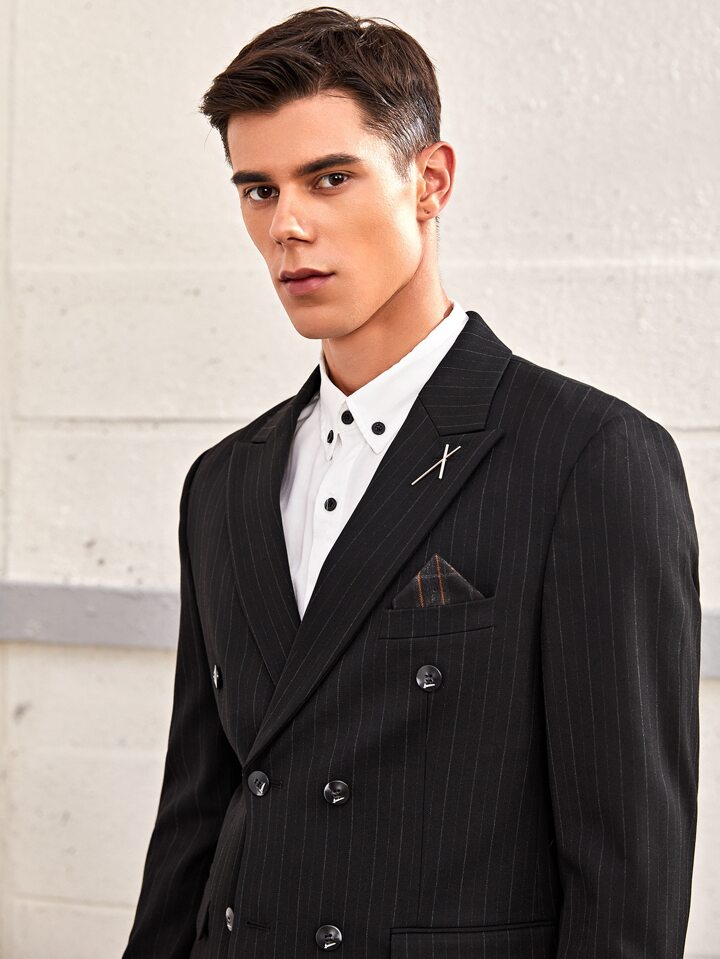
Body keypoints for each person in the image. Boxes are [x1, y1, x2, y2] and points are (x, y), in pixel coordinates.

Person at [122, 7, 701, 958]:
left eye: (330, 178)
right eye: (259, 190)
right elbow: (194, 812)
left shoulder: (589, 457)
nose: (287, 224)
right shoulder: (222, 483)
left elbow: (627, 867)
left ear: (430, 181)